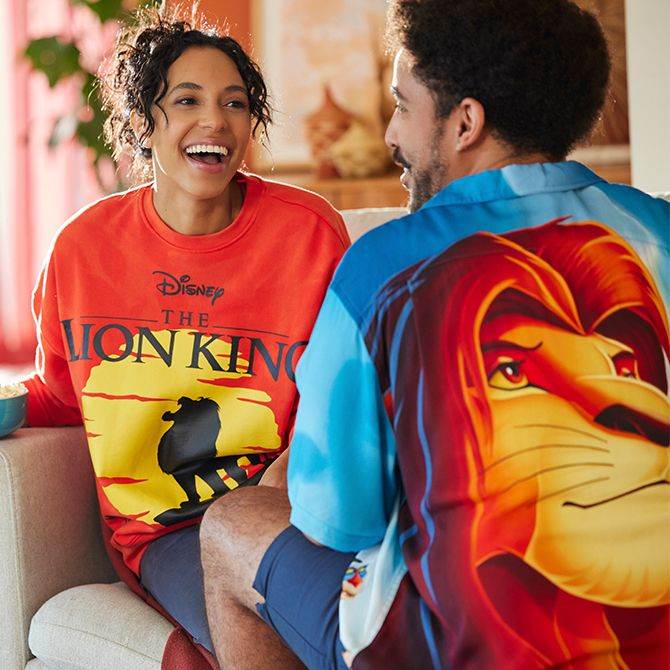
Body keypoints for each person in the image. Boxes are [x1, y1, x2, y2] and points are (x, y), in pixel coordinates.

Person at [200, 0, 670, 668]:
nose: (392, 133)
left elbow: (339, 520)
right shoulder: (659, 232)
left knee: (230, 524)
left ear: (465, 123)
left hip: (460, 646)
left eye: (402, 104)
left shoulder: (384, 267)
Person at [22, 7, 349, 660]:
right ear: (144, 122)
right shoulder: (83, 249)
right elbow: (61, 396)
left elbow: (343, 395)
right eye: (188, 100)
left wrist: (288, 491)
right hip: (170, 533)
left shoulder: (309, 234)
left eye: (235, 103)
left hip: (297, 505)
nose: (216, 121)